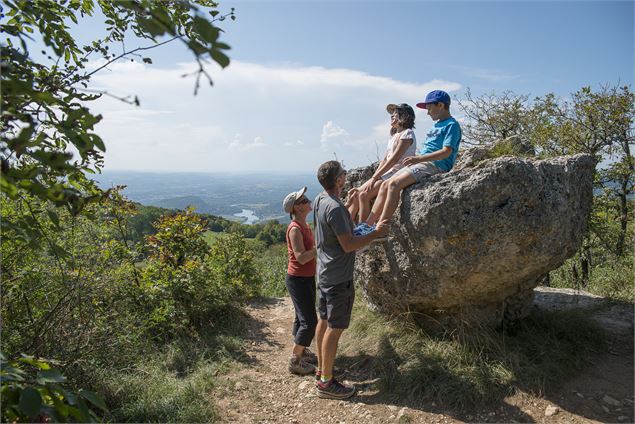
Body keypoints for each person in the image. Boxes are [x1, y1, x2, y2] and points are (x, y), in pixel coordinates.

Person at [312, 161, 389, 399]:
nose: (346, 175)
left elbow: (337, 224)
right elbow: (348, 244)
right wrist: (377, 232)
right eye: (343, 173)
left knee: (324, 321)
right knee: (335, 329)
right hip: (338, 278)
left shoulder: (320, 200)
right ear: (338, 181)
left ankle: (321, 371)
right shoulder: (335, 208)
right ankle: (326, 383)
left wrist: (352, 205)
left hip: (324, 273)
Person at [365, 90, 462, 227]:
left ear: (440, 105)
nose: (428, 113)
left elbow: (446, 152)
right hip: (422, 163)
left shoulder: (451, 125)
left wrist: (418, 159)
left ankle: (382, 226)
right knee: (385, 184)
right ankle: (368, 225)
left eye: (429, 108)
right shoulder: (436, 125)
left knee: (394, 184)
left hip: (435, 165)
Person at [347, 103, 416, 228]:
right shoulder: (394, 136)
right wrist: (373, 178)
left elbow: (394, 159)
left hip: (397, 172)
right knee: (356, 194)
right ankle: (347, 228)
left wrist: (374, 179)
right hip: (386, 173)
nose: (392, 116)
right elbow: (385, 160)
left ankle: (364, 229)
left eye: (395, 114)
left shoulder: (407, 133)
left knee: (363, 195)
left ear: (404, 116)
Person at [282, 187, 319, 375]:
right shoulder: (295, 228)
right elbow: (301, 257)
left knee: (301, 317)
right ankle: (295, 360)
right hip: (298, 279)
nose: (307, 200)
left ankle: (302, 351)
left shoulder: (304, 225)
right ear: (296, 208)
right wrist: (321, 246)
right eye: (303, 200)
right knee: (310, 321)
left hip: (305, 278)